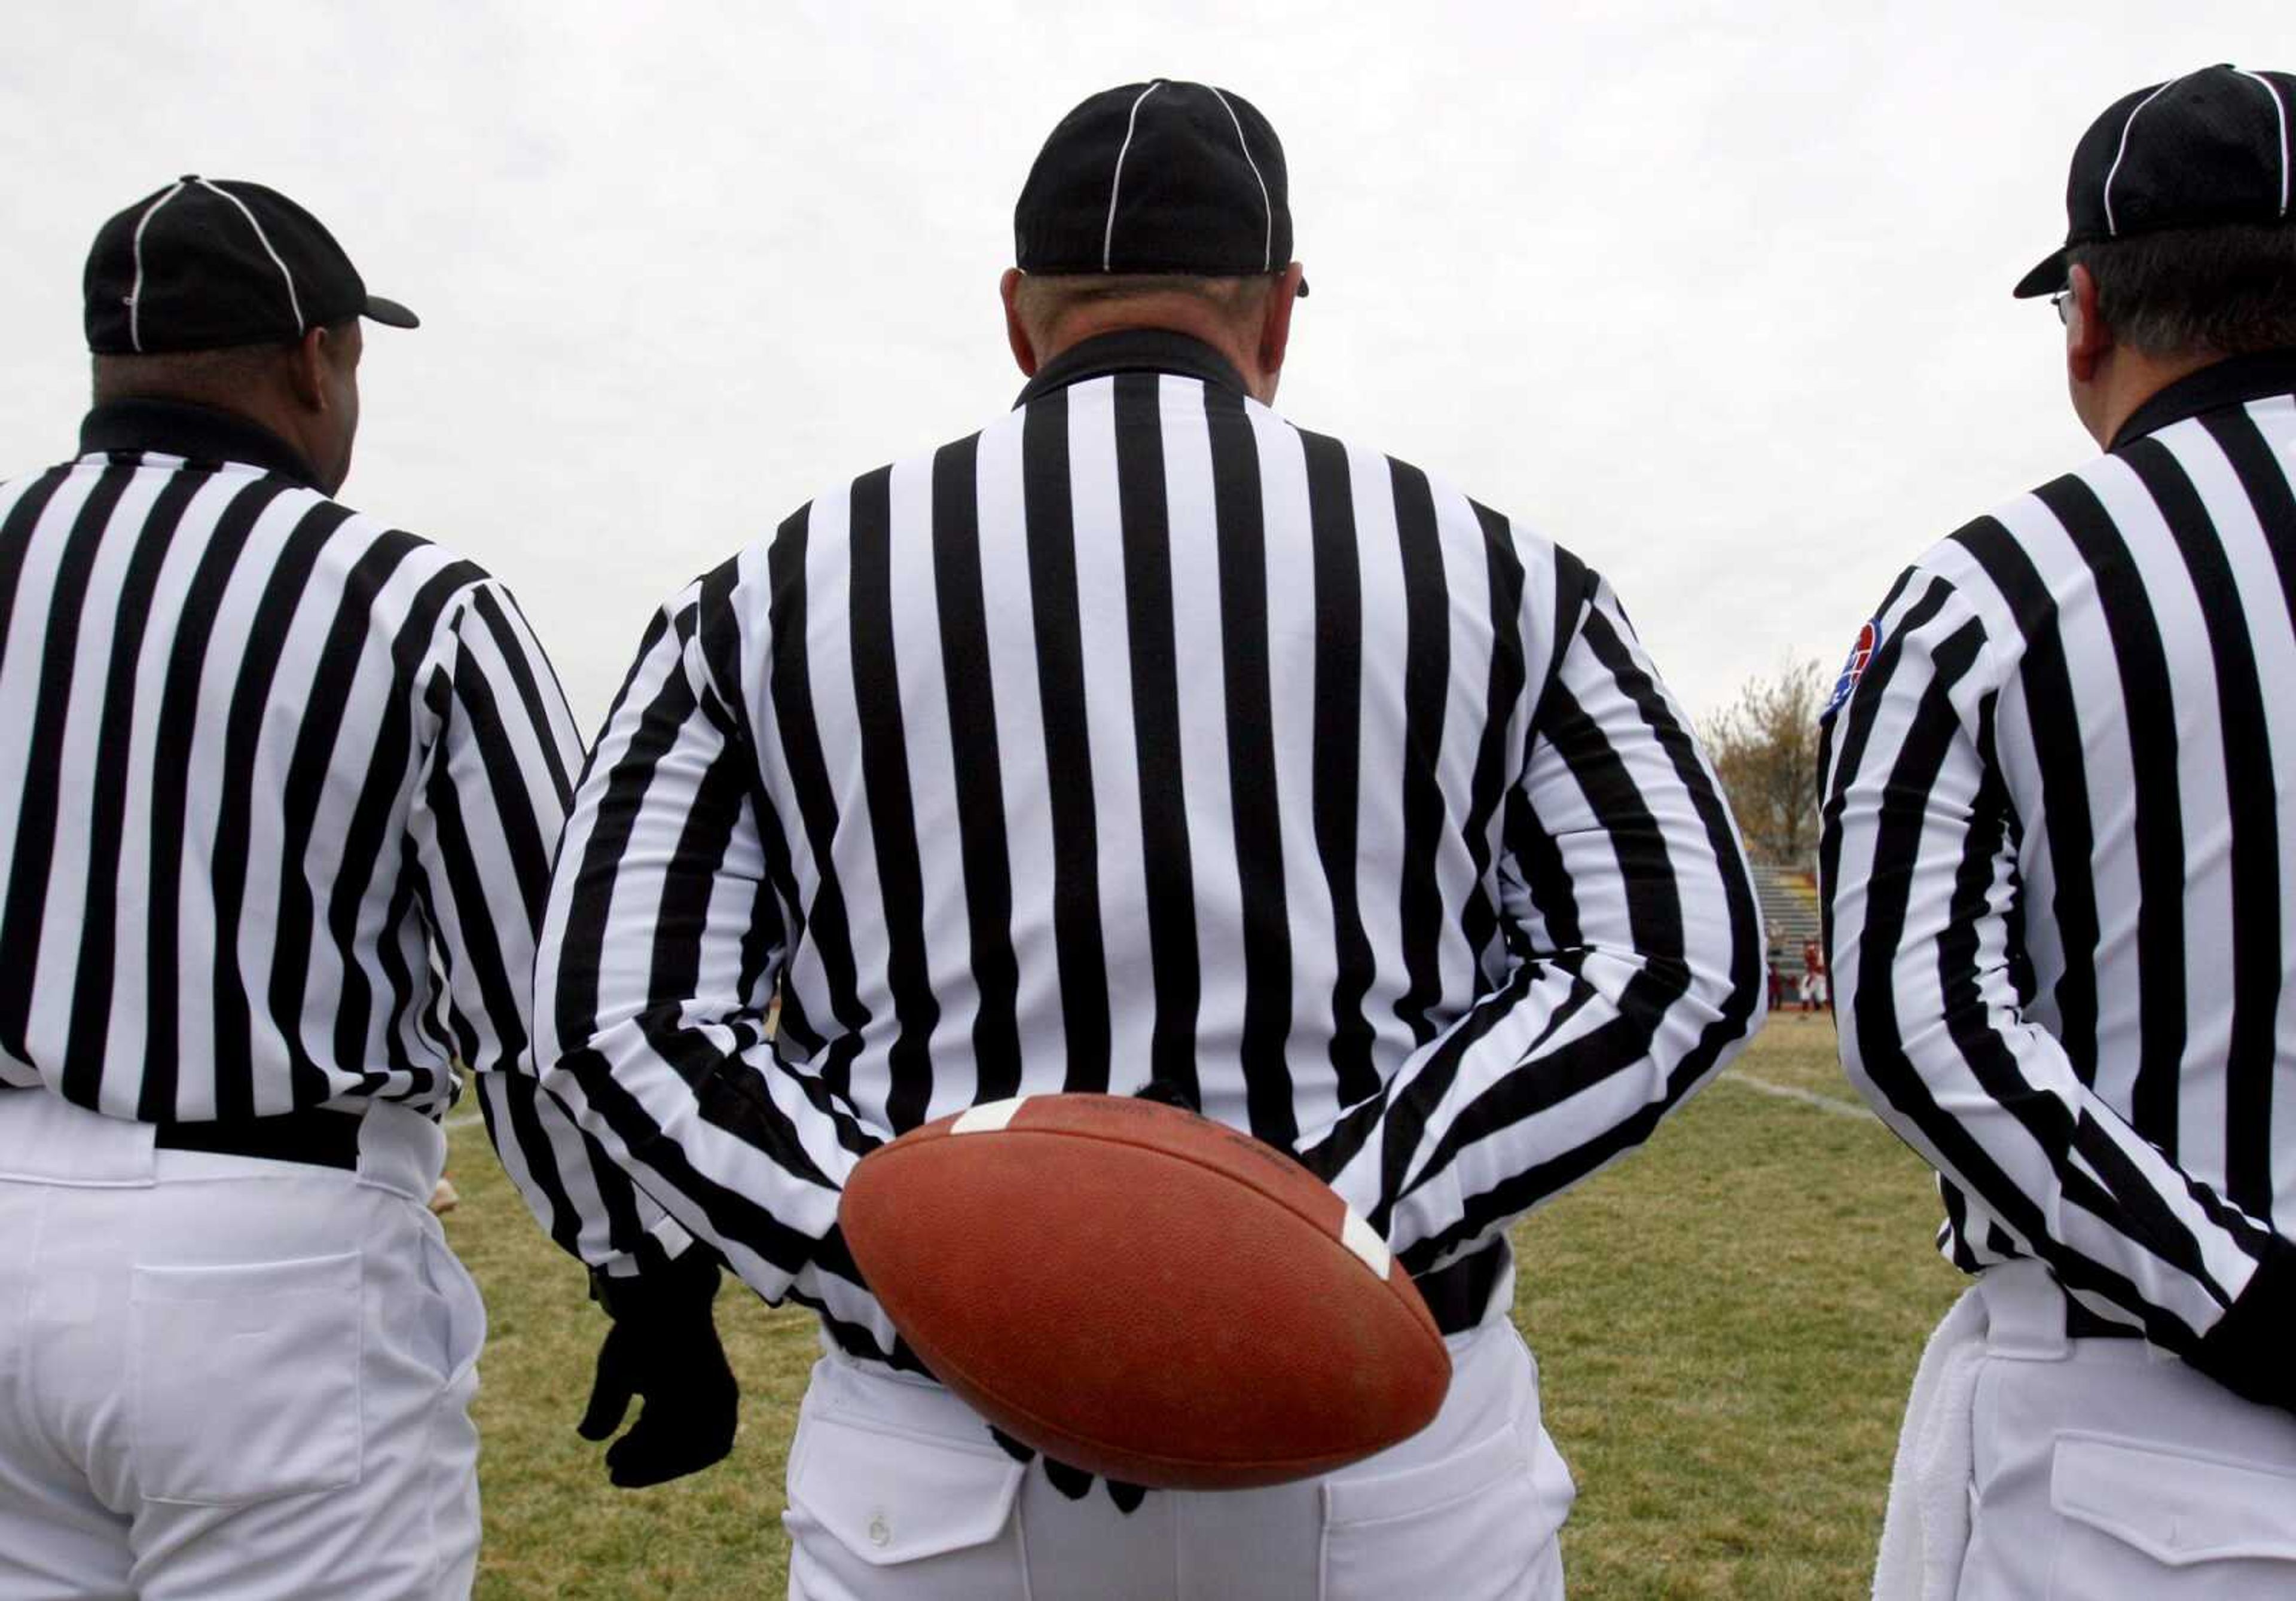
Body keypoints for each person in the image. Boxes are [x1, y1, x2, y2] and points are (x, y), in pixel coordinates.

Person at [532, 80, 1765, 1600]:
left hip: (943, 1472)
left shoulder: (766, 595)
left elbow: (612, 1010)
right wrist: (1323, 1224)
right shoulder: (1501, 574)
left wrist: (939, 1269)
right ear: (1283, 311)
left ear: (1016, 314)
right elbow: (1676, 955)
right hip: (1379, 1460)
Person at [0, 177, 730, 1601]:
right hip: (264, 1263)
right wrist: (644, 1273)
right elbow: (543, 991)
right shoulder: (416, 603)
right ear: (312, 358)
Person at [1821, 64, 2296, 1600]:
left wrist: (2237, 1291)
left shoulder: (1997, 593)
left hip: (2146, 1435)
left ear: (2085, 312)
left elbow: (1913, 1021)